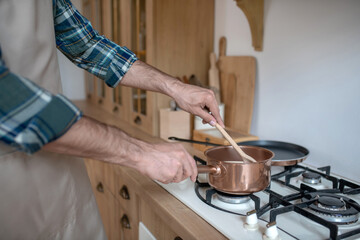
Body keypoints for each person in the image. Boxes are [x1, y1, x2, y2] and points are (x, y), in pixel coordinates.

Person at [0, 0, 224, 239]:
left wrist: (175, 87)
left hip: (61, 167)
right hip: (11, 183)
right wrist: (142, 152)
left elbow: (87, 45)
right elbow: (11, 104)